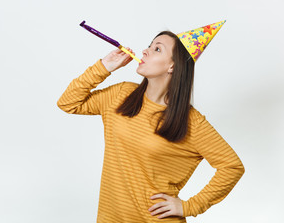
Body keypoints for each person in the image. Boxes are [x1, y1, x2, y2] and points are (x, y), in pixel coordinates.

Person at [57, 27, 245, 222]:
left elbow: (232, 166)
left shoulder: (191, 121)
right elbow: (68, 102)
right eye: (149, 46)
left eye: (157, 49)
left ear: (172, 66)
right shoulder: (121, 94)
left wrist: (189, 206)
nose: (145, 51)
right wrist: (104, 66)